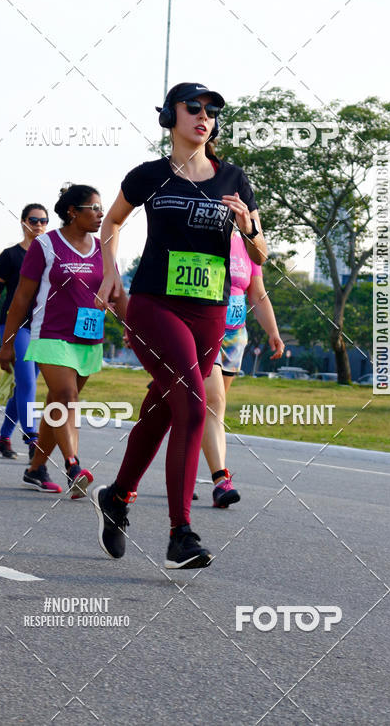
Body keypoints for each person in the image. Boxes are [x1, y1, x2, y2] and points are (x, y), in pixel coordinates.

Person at [93, 82, 268, 569]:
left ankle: (118, 496)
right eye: (194, 108)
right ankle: (180, 533)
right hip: (154, 305)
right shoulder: (149, 175)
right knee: (192, 403)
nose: (204, 116)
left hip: (209, 312)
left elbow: (260, 255)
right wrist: (111, 274)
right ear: (169, 116)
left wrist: (247, 227)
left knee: (164, 407)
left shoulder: (234, 178)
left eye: (212, 111)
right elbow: (111, 225)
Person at [0, 184, 126, 496]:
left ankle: (35, 469)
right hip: (50, 334)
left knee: (59, 404)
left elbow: (118, 292)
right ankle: (73, 465)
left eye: (101, 208)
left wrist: (132, 328)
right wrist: (7, 343)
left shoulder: (102, 248)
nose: (100, 214)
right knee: (66, 396)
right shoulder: (46, 245)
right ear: (72, 212)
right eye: (92, 208)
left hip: (89, 337)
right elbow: (21, 297)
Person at [202, 230, 284, 507]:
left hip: (235, 338)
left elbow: (257, 294)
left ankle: (195, 472)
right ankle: (221, 481)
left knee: (213, 410)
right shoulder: (201, 235)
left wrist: (272, 331)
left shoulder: (250, 247)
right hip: (204, 330)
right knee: (213, 403)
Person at [0, 204, 49, 460]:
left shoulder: (49, 255)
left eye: (43, 220)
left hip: (41, 325)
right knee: (27, 382)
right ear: (23, 222)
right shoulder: (10, 256)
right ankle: (33, 438)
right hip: (15, 325)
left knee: (23, 384)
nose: (38, 225)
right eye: (33, 220)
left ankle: (3, 438)